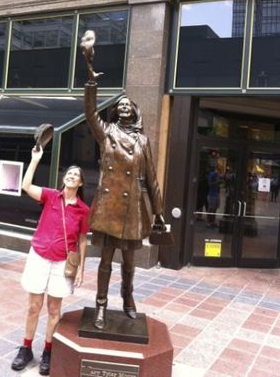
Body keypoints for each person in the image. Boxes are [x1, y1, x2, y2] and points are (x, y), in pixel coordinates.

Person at [81, 30, 165, 330]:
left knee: (129, 263)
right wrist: (92, 79)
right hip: (110, 207)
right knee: (105, 261)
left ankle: (128, 300)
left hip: (132, 211)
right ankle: (100, 306)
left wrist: (159, 212)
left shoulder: (142, 141)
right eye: (121, 106)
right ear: (116, 112)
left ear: (136, 112)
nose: (125, 107)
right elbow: (90, 113)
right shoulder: (107, 133)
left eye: (129, 105)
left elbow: (151, 178)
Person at [11, 147, 89, 375]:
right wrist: (35, 160)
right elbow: (25, 186)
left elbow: (83, 240)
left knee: (54, 309)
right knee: (33, 307)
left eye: (76, 175)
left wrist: (82, 268)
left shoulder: (83, 210)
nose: (71, 176)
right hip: (39, 256)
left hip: (63, 262)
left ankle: (48, 350)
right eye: (69, 174)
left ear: (81, 183)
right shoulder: (50, 195)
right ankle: (26, 348)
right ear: (64, 178)